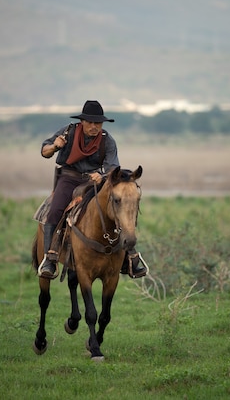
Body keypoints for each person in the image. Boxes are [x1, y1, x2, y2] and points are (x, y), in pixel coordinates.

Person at [37, 100, 148, 279]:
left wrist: (102, 176)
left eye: (98, 123)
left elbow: (113, 169)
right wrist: (55, 146)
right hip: (69, 178)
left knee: (118, 208)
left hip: (96, 181)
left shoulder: (107, 140)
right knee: (55, 210)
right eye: (91, 122)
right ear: (82, 121)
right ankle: (50, 258)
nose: (95, 126)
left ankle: (131, 257)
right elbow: (45, 152)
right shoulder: (68, 132)